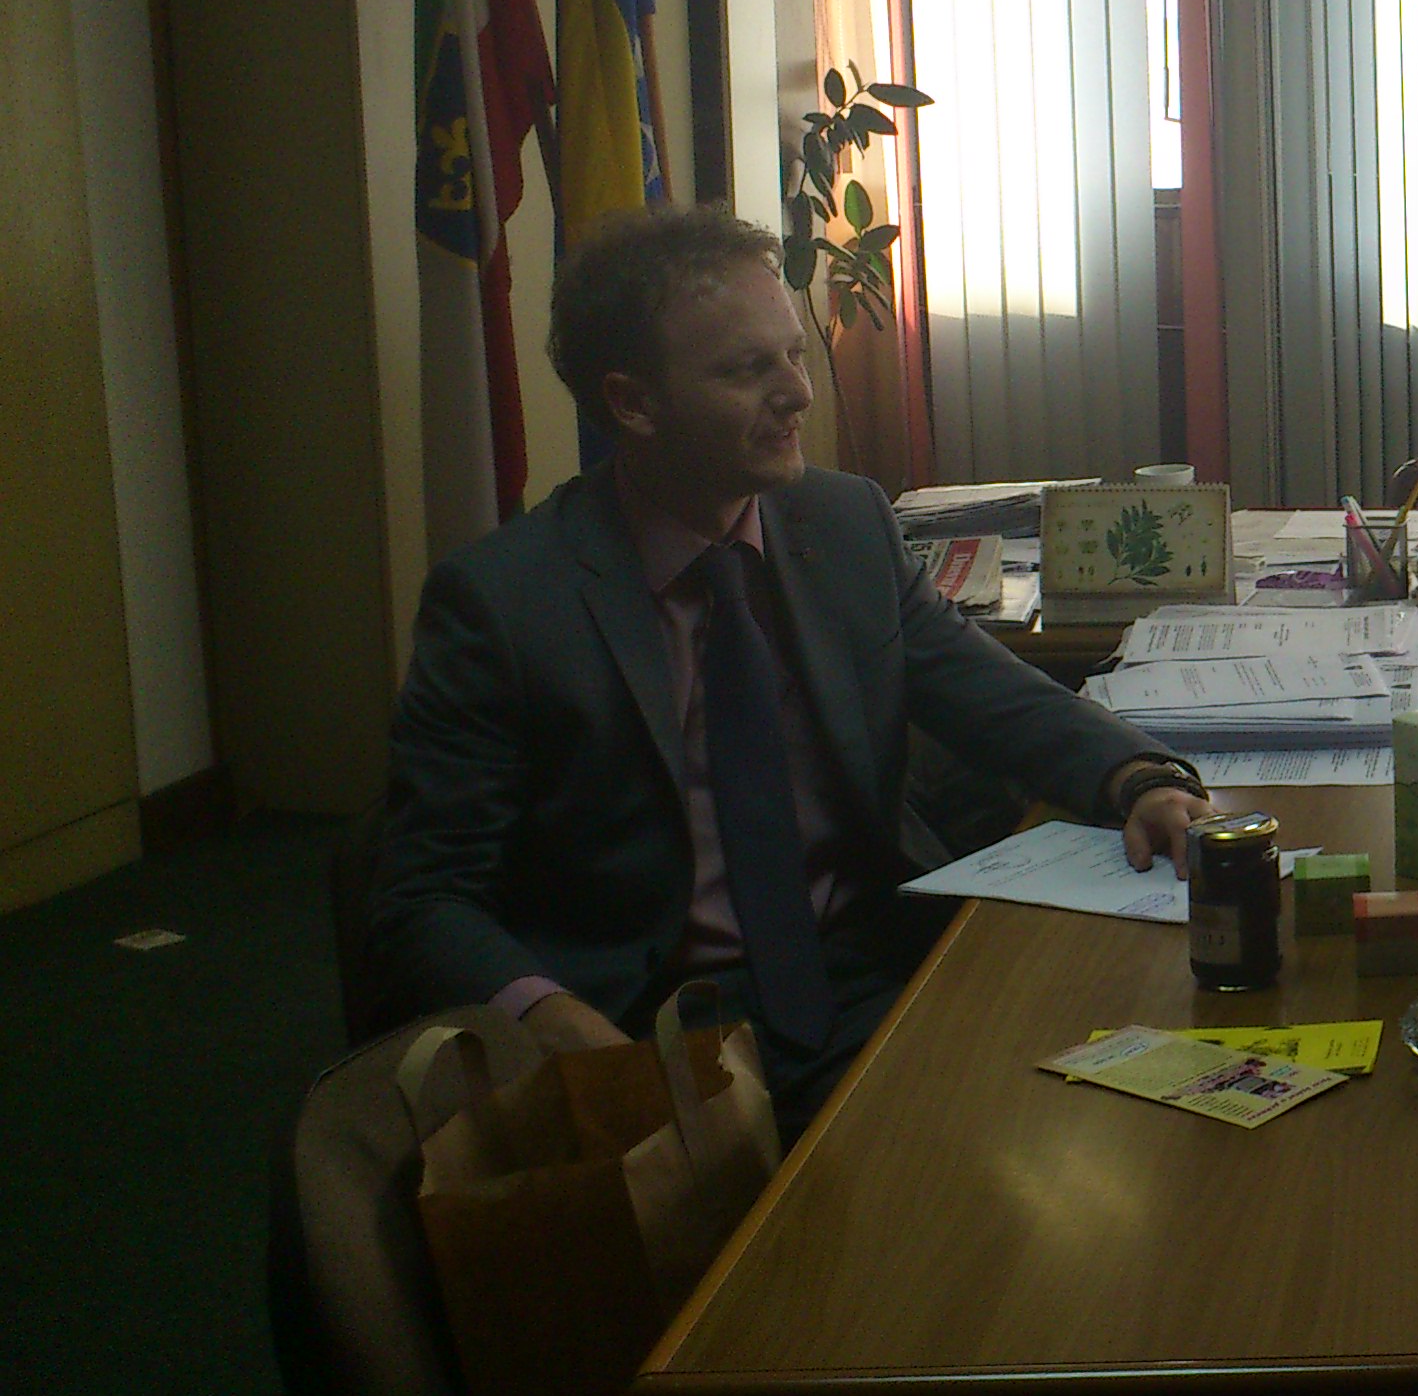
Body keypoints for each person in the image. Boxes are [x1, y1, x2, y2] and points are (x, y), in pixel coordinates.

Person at [368, 207, 1214, 1130]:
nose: (798, 394)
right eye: (746, 370)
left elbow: (992, 695)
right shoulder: (503, 603)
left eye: (795, 356)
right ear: (632, 404)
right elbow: (422, 898)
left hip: (874, 962)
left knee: (1120, 1102)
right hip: (653, 1020)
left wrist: (1138, 776)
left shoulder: (843, 523)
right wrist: (552, 1018)